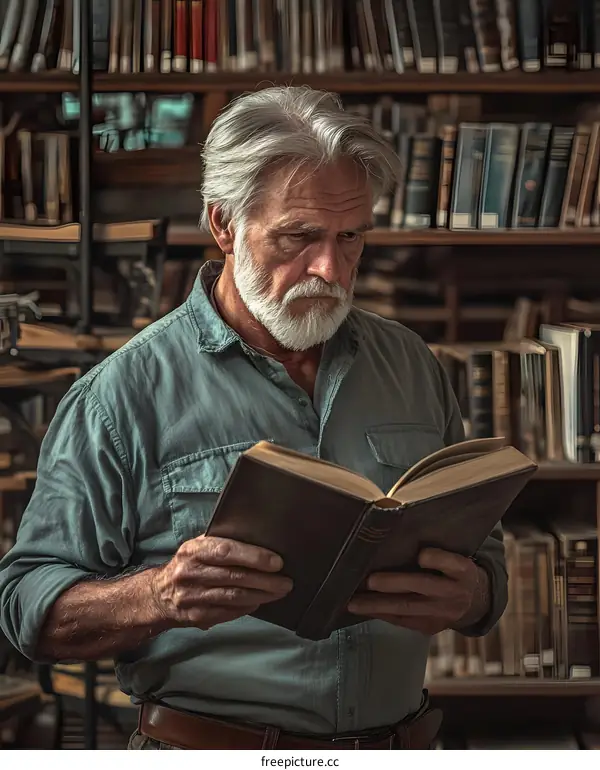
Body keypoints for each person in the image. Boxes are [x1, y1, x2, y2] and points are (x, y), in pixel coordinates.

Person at [0, 86, 507, 751]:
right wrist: (156, 597)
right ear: (223, 224)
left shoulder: (409, 362)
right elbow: (26, 608)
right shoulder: (122, 393)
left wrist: (472, 596)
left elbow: (486, 559)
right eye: (298, 237)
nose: (330, 268)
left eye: (351, 237)